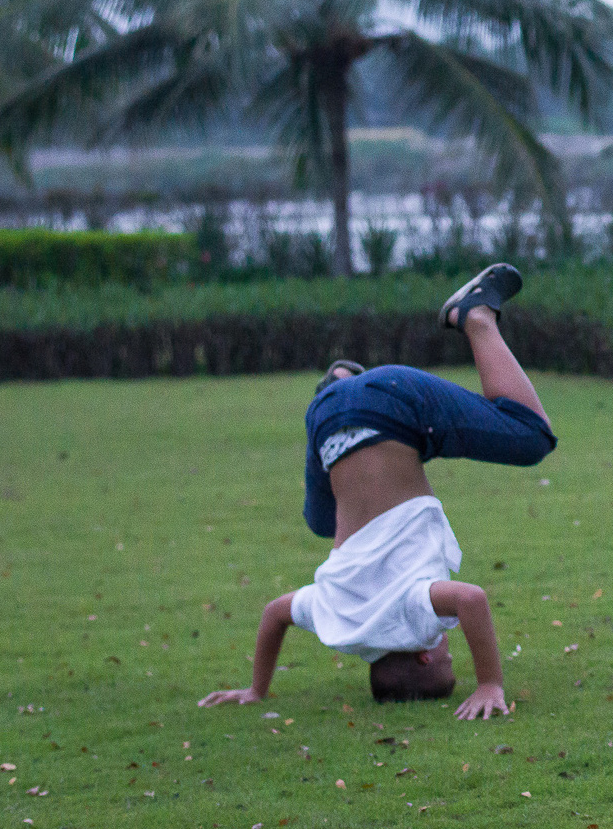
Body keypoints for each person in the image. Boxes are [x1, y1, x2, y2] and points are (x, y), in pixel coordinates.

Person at [199, 264, 554, 718]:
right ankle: (340, 384)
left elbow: (472, 600)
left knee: (531, 437)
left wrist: (489, 683)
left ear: (425, 653)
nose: (445, 646)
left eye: (447, 655)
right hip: (326, 422)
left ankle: (474, 315)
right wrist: (256, 689)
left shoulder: (412, 615)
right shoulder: (334, 620)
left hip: (392, 402)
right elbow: (274, 614)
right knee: (321, 523)